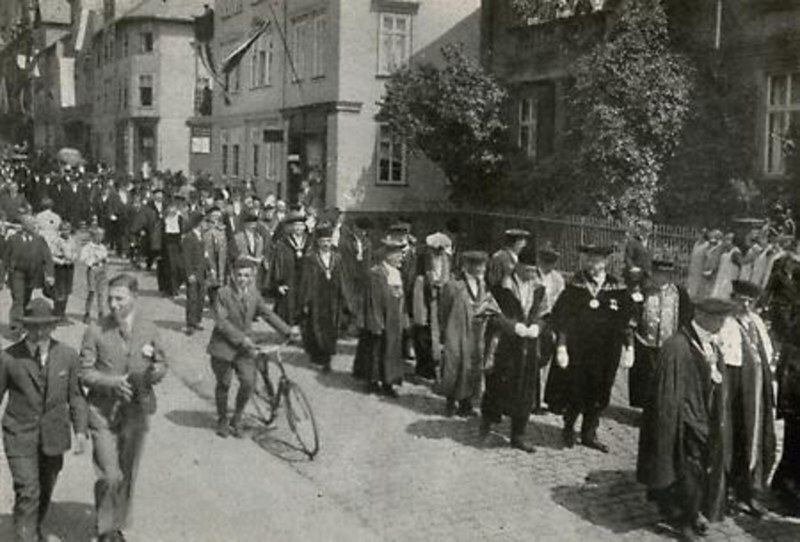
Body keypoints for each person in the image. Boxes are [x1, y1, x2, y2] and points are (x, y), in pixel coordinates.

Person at [637, 298, 734, 542]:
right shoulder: (677, 346)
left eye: (723, 319)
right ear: (701, 315)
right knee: (685, 470)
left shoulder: (710, 342)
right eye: (718, 319)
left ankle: (693, 511)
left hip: (706, 417)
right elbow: (667, 392)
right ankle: (683, 519)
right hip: (684, 420)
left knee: (701, 469)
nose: (722, 323)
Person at [79, 274, 168, 542]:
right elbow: (84, 372)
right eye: (110, 299)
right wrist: (113, 383)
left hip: (136, 412)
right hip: (102, 412)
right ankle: (106, 529)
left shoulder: (149, 329)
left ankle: (114, 524)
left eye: (120, 298)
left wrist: (155, 371)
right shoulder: (95, 330)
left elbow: (163, 363)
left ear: (135, 297)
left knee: (127, 473)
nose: (113, 305)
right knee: (109, 474)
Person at [0, 298, 88, 542]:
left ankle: (32, 525)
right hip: (19, 434)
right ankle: (25, 536)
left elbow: (77, 396)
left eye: (45, 326)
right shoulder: (8, 358)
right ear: (25, 326)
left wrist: (80, 431)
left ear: (53, 326)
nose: (39, 332)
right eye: (33, 326)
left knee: (45, 486)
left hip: (54, 435)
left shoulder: (68, 356)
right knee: (28, 490)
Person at [547, 244, 634, 453]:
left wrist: (629, 346)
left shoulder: (617, 287)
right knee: (576, 389)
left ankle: (589, 433)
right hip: (579, 350)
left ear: (605, 262)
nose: (593, 264)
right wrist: (562, 345)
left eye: (597, 261)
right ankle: (569, 428)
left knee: (600, 391)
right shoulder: (575, 285)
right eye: (590, 260)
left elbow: (628, 317)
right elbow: (562, 317)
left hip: (606, 351)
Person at [206, 258, 299, 438]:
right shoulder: (223, 294)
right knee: (223, 384)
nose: (242, 279)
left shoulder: (254, 294)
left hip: (245, 349)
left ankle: (237, 418)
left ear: (252, 276)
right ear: (232, 275)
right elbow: (221, 322)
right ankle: (223, 419)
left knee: (248, 383)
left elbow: (267, 314)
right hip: (223, 347)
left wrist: (287, 331)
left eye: (246, 275)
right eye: (239, 275)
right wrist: (242, 339)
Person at [480, 249, 546, 453]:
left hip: (528, 346)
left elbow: (544, 314)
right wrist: (512, 326)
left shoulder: (539, 289)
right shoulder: (500, 288)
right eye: (527, 270)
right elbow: (487, 313)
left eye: (534, 271)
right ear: (517, 267)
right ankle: (487, 424)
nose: (531, 274)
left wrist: (537, 326)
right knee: (497, 386)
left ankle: (518, 435)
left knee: (526, 390)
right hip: (504, 345)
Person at [722, 280, 776, 518]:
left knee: (757, 441)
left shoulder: (756, 323)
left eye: (749, 301)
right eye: (740, 299)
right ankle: (727, 494)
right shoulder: (725, 323)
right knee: (734, 440)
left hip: (758, 393)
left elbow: (767, 354)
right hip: (735, 393)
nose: (744, 305)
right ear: (732, 298)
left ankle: (749, 494)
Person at [629, 260, 692, 410]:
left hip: (669, 343)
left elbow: (686, 317)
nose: (660, 278)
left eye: (664, 275)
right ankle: (646, 410)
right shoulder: (644, 292)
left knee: (666, 379)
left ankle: (662, 408)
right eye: (657, 274)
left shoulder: (679, 293)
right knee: (647, 378)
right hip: (645, 342)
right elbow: (634, 314)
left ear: (670, 276)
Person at [439, 251, 494, 417]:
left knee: (472, 366)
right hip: (457, 328)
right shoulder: (454, 285)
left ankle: (466, 403)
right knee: (455, 364)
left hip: (477, 331)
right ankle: (450, 402)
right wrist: (445, 331)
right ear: (467, 266)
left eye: (482, 266)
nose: (479, 269)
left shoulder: (483, 285)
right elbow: (444, 310)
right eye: (476, 265)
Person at [352, 238, 408, 397]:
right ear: (388, 256)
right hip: (380, 319)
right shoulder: (375, 273)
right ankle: (373, 382)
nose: (400, 258)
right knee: (376, 351)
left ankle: (389, 382)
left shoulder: (397, 273)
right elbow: (372, 300)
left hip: (394, 319)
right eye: (397, 254)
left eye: (401, 254)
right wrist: (376, 322)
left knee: (391, 352)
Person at [299, 225, 350, 373]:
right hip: (317, 297)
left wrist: (345, 298)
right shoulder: (311, 258)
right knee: (316, 326)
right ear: (318, 242)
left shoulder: (337, 258)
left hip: (333, 298)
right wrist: (305, 300)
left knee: (331, 327)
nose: (326, 244)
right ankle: (318, 355)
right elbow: (306, 280)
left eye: (328, 240)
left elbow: (342, 278)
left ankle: (328, 357)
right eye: (323, 241)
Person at [4, 212, 55, 335]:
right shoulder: (13, 239)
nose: (35, 226)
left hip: (33, 275)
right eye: (32, 224)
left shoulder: (39, 240)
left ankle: (26, 323)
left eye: (35, 224)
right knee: (18, 299)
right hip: (17, 274)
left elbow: (47, 258)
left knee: (27, 300)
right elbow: (5, 259)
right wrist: (2, 277)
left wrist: (50, 275)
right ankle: (15, 327)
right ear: (24, 225)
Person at [411, 232, 453, 380]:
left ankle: (434, 364)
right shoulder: (424, 257)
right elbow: (425, 277)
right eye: (438, 249)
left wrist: (441, 286)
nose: (439, 252)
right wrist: (433, 285)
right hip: (423, 296)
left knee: (436, 332)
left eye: (442, 249)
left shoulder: (446, 259)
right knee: (422, 331)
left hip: (439, 298)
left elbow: (445, 277)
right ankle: (423, 366)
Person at [270, 210, 309, 325]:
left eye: (301, 225)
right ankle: (288, 333)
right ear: (291, 227)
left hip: (305, 281)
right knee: (288, 311)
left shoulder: (310, 242)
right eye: (296, 225)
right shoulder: (282, 244)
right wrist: (279, 283)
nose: (298, 228)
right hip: (289, 281)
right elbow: (277, 264)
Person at [182, 213, 207, 335]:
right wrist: (189, 273)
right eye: (204, 222)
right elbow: (186, 258)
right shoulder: (189, 238)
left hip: (201, 272)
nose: (205, 224)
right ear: (198, 223)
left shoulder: (201, 237)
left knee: (201, 298)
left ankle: (197, 320)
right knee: (192, 298)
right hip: (193, 273)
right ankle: (190, 323)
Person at [50, 221, 79, 321]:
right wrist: (61, 261)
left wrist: (73, 258)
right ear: (60, 230)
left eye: (67, 229)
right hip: (60, 267)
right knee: (59, 290)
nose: (65, 232)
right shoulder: (57, 241)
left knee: (67, 290)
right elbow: (51, 255)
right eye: (63, 229)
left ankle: (62, 312)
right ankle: (57, 312)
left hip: (69, 267)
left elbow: (75, 252)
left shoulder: (72, 240)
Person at [80, 227, 109, 323]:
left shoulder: (102, 247)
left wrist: (105, 261)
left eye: (102, 236)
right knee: (91, 292)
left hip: (101, 270)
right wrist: (93, 261)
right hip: (92, 269)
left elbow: (105, 257)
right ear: (94, 236)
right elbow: (83, 259)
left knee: (101, 293)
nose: (100, 238)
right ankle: (87, 313)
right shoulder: (88, 247)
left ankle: (101, 313)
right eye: (98, 235)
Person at [710, 232, 741, 299]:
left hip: (728, 286)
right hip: (720, 284)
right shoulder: (725, 252)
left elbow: (741, 268)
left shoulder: (735, 253)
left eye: (727, 239)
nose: (725, 241)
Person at [686, 229, 709, 299]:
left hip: (700, 271)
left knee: (697, 289)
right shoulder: (696, 244)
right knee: (690, 287)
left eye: (701, 234)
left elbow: (707, 258)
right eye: (698, 234)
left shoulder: (707, 245)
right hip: (693, 269)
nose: (699, 236)